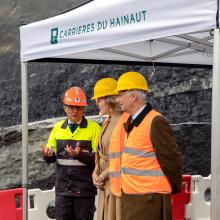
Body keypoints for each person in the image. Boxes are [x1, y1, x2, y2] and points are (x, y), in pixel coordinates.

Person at [114, 72, 182, 220]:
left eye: (120, 94)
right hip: (134, 196)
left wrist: (172, 188)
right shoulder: (133, 122)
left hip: (149, 199)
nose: (117, 98)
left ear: (133, 96)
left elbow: (172, 159)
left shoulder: (155, 121)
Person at [40, 86, 101, 220]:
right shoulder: (57, 128)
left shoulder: (95, 129)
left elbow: (100, 158)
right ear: (65, 107)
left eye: (78, 107)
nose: (75, 111)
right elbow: (51, 156)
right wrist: (48, 155)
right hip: (63, 191)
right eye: (71, 107)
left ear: (84, 108)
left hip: (84, 191)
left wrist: (80, 155)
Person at [91, 78, 128, 220]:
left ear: (110, 99)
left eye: (99, 99)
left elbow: (123, 155)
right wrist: (95, 172)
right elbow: (100, 153)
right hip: (105, 183)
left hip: (116, 183)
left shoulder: (124, 120)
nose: (96, 103)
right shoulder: (108, 120)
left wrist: (102, 175)